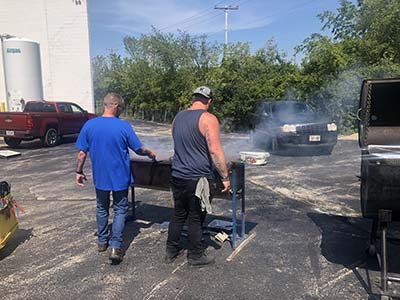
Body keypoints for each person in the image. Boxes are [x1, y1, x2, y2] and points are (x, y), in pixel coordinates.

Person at [75, 92, 156, 264]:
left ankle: (102, 242)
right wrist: (150, 153)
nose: (122, 111)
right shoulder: (123, 126)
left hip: (100, 177)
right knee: (120, 210)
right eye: (121, 108)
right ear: (116, 106)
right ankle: (115, 246)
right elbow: (139, 149)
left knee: (102, 208)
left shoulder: (89, 125)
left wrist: (79, 172)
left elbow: (82, 153)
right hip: (120, 177)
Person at [165, 86, 231, 267]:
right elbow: (215, 150)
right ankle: (195, 255)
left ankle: (170, 251)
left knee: (178, 214)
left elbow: (177, 141)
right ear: (209, 101)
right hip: (198, 179)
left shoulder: (178, 117)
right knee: (196, 217)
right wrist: (225, 176)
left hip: (178, 175)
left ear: (193, 98)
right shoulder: (208, 119)